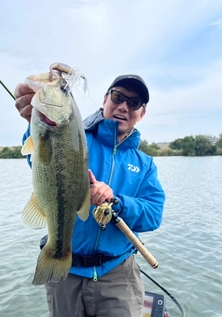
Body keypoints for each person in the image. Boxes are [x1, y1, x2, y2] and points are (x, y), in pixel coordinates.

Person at [14, 72, 165, 317]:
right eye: (118, 97)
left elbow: (153, 214)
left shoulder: (145, 164)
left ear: (142, 113)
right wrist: (33, 121)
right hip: (66, 274)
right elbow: (39, 159)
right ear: (105, 99)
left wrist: (117, 202)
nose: (124, 106)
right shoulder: (76, 136)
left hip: (118, 274)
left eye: (134, 103)